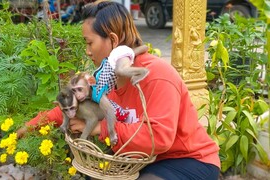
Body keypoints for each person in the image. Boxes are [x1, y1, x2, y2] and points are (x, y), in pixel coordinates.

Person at [17, 0, 221, 179]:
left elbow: (159, 137)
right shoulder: (102, 79)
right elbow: (69, 104)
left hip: (187, 159)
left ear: (113, 40)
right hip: (141, 159)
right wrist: (27, 128)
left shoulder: (157, 75)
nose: (88, 52)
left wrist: (99, 128)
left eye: (90, 43)